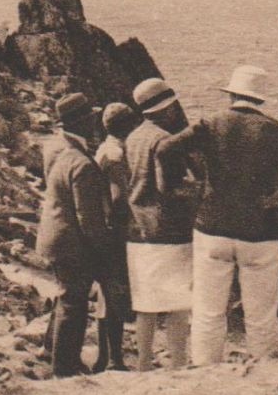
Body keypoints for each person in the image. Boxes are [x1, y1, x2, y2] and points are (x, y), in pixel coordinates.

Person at [164, 65, 278, 365]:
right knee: (262, 315)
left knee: (208, 311)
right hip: (259, 233)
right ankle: (262, 369)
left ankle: (204, 368)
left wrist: (193, 185)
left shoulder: (211, 124)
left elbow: (165, 148)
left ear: (232, 95)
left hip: (212, 228)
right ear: (259, 99)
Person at [34, 93, 116, 379]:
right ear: (82, 122)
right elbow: (88, 218)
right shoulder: (80, 163)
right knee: (73, 304)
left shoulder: (63, 153)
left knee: (66, 297)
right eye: (91, 117)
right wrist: (104, 250)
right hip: (69, 244)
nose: (95, 122)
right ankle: (64, 369)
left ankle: (53, 354)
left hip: (55, 238)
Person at [123, 78, 195, 371]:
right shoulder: (166, 141)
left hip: (137, 228)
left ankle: (143, 364)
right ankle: (177, 363)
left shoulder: (133, 138)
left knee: (146, 304)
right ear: (167, 108)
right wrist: (200, 189)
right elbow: (171, 188)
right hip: (168, 230)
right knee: (178, 303)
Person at [92, 102, 138, 371]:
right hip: (115, 232)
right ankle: (114, 359)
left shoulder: (104, 149)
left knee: (104, 296)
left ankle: (103, 356)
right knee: (114, 294)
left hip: (103, 228)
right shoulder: (117, 154)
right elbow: (119, 197)